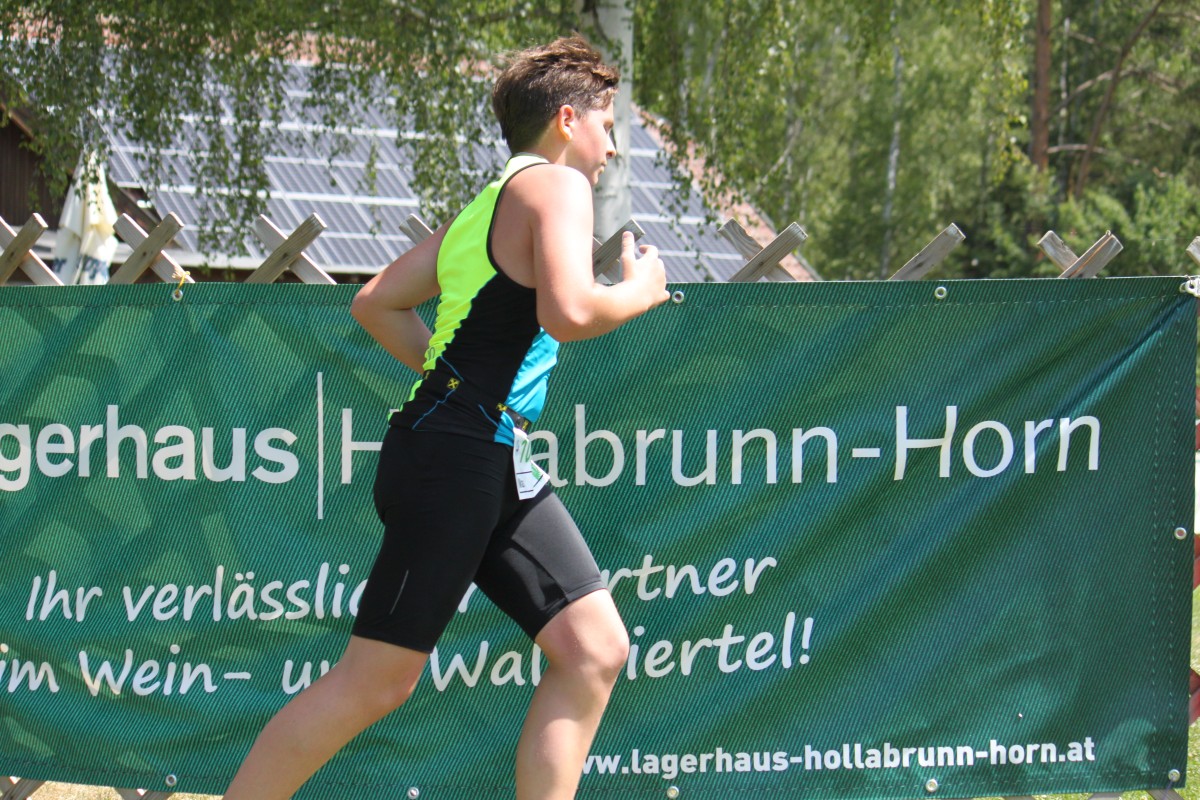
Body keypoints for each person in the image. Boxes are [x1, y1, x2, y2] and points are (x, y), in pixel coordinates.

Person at [223, 35, 669, 800]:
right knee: (376, 682)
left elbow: (376, 304)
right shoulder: (557, 186)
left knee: (594, 648)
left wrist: (452, 381)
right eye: (607, 126)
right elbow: (568, 313)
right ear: (567, 120)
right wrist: (639, 292)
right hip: (458, 453)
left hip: (483, 451)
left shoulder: (488, 204)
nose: (612, 149)